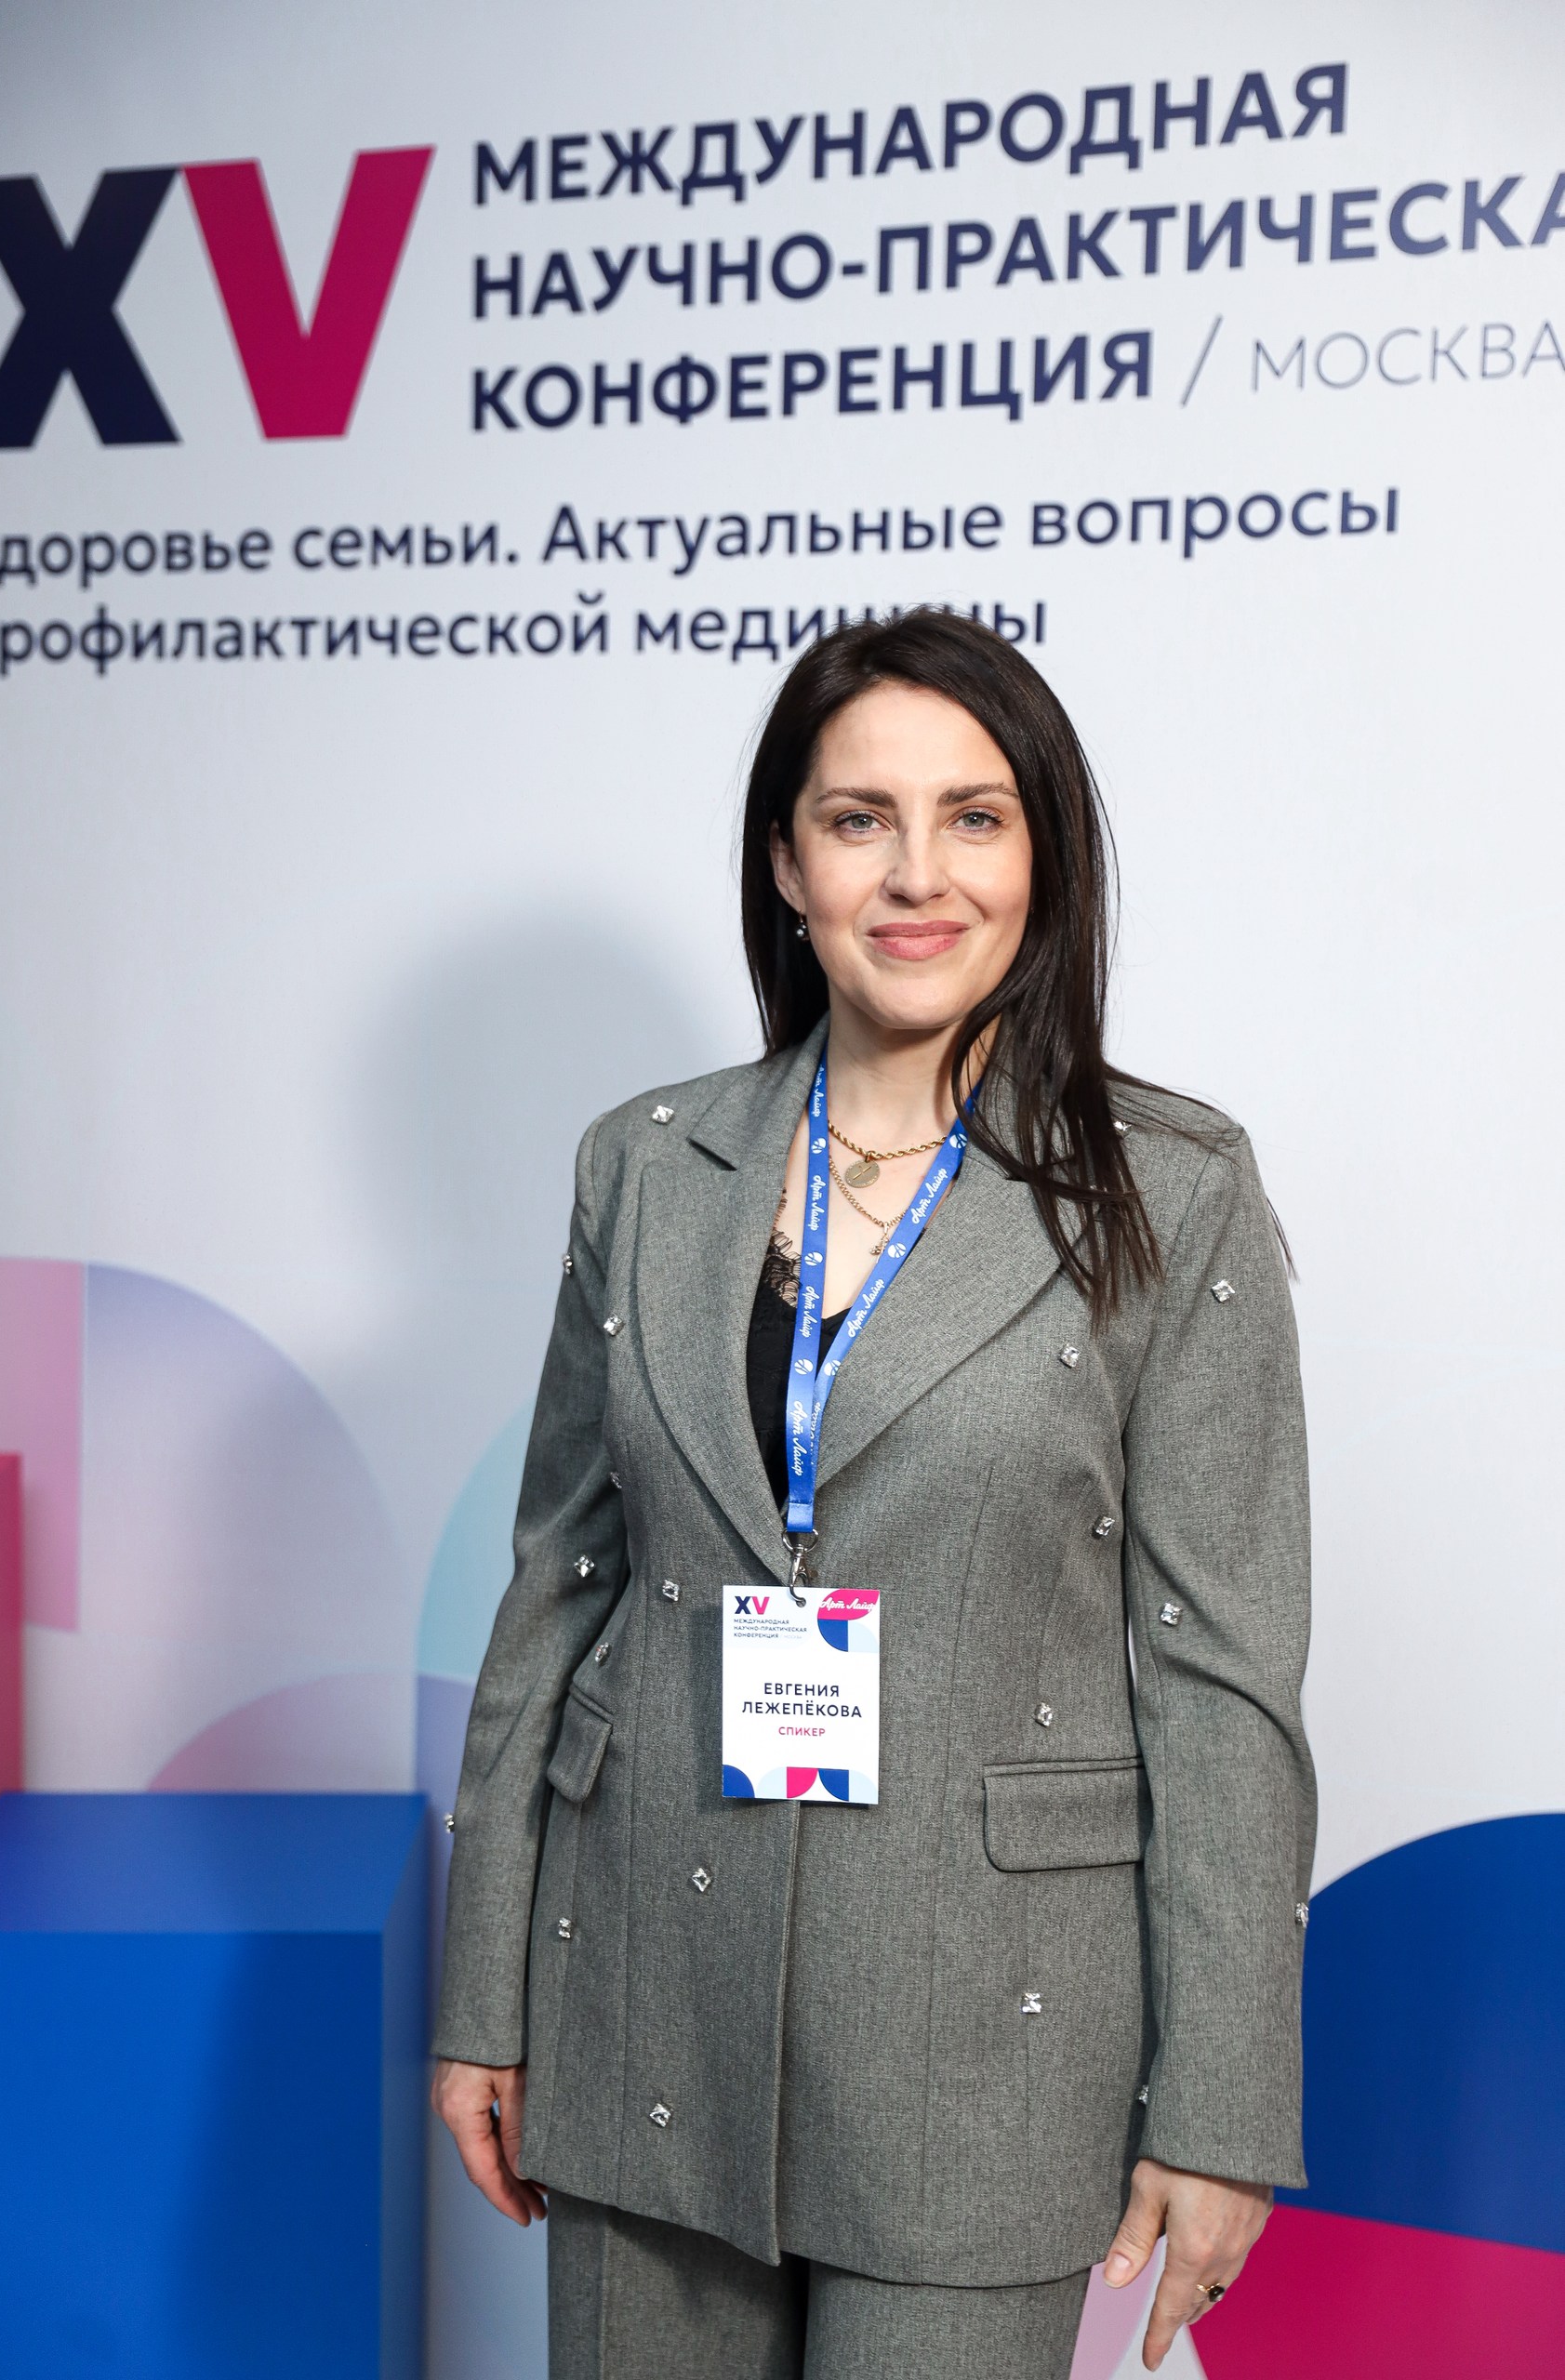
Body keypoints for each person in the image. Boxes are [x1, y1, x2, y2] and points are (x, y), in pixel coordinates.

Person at [432, 610, 1314, 2380]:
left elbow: (1221, 1679)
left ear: (1042, 857)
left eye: (974, 817)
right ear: (787, 861)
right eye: (860, 820)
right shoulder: (645, 1166)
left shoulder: (1175, 1190)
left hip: (983, 2033)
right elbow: (558, 1587)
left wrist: (1222, 2101)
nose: (919, 875)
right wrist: (487, 1991)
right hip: (644, 1993)